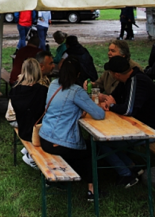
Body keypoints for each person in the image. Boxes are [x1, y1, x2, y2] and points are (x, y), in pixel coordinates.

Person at [38, 56, 106, 201]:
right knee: (92, 150)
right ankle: (92, 190)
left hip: (44, 137)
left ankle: (64, 178)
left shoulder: (53, 84)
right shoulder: (76, 91)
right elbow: (99, 114)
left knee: (81, 150)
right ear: (78, 75)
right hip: (60, 142)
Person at [98, 55, 155, 187]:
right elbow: (113, 97)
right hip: (135, 126)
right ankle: (132, 167)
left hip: (148, 130)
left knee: (102, 142)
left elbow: (128, 110)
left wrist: (111, 105)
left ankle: (126, 175)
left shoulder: (137, 81)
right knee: (106, 140)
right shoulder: (126, 81)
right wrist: (107, 101)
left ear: (115, 74)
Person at [10, 58, 49, 169]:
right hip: (37, 132)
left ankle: (27, 150)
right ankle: (31, 158)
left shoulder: (15, 89)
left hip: (22, 128)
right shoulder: (42, 91)